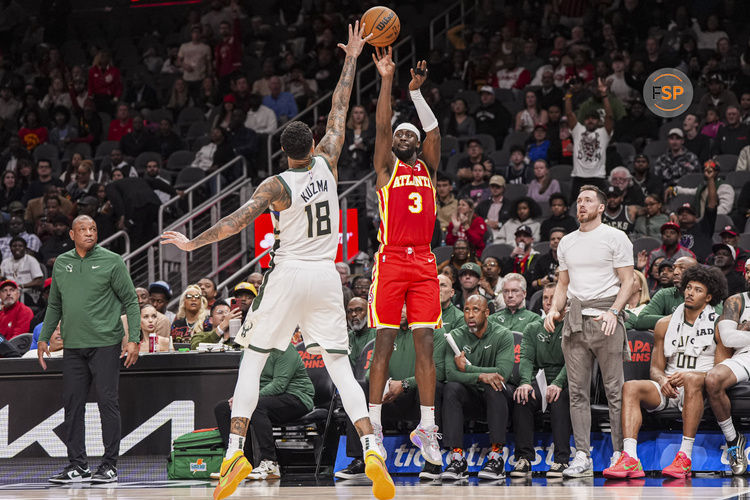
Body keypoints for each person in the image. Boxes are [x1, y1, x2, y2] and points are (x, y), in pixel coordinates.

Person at [162, 25, 395, 500]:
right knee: (340, 368)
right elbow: (339, 107)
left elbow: (233, 223)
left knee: (252, 362)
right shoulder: (330, 158)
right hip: (328, 276)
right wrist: (351, 57)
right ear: (312, 143)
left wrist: (190, 245)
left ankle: (233, 455)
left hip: (288, 275)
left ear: (283, 151)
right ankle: (371, 445)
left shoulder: (275, 186)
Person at [363, 46, 445, 476]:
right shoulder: (385, 169)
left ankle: (427, 428)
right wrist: (387, 79)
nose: (403, 137)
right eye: (399, 136)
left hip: (425, 263)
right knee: (384, 345)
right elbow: (380, 124)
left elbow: (434, 130)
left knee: (426, 346)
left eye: (409, 135)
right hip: (392, 260)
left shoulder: (429, 169)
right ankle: (373, 426)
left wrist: (416, 93)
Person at [39, 215, 140, 484]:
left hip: (106, 343)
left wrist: (134, 339)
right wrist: (44, 337)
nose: (89, 233)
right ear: (72, 235)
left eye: (93, 228)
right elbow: (54, 305)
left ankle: (109, 465)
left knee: (108, 403)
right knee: (72, 405)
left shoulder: (112, 260)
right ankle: (78, 466)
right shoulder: (62, 263)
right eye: (82, 229)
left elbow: (131, 300)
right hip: (73, 346)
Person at [544, 185, 635, 478]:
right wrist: (554, 310)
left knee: (614, 392)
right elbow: (563, 284)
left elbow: (629, 281)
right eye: (579, 200)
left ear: (600, 208)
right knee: (578, 394)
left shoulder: (615, 237)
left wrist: (614, 312)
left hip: (606, 317)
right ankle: (582, 455)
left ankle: (620, 454)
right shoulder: (567, 242)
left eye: (588, 201)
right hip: (574, 320)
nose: (581, 205)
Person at [604, 265, 727, 479]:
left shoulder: (719, 325)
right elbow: (656, 368)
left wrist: (694, 376)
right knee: (631, 386)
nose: (689, 292)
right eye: (688, 287)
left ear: (708, 297)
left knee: (690, 378)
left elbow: (721, 371)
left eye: (697, 290)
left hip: (701, 388)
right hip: (669, 386)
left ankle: (684, 457)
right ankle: (630, 458)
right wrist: (662, 380)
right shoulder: (664, 324)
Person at [338, 305, 447, 481]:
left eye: (406, 307)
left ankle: (432, 463)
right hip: (388, 398)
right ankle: (362, 458)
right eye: (399, 307)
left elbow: (440, 371)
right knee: (360, 390)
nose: (401, 311)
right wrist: (388, 385)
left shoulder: (434, 332)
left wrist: (405, 384)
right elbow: (369, 371)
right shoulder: (384, 333)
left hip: (417, 398)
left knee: (437, 388)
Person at [213, 344, 315, 481]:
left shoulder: (285, 348)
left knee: (255, 405)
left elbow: (279, 385)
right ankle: (240, 463)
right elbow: (244, 382)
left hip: (297, 397)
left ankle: (270, 463)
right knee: (223, 409)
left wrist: (250, 399)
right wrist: (239, 398)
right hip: (265, 398)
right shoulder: (249, 351)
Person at [441, 295, 514, 480]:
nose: (470, 315)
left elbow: (502, 372)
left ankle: (496, 457)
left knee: (494, 384)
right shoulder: (455, 336)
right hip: (472, 398)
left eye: (476, 310)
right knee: (451, 388)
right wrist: (481, 375)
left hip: (500, 399)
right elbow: (451, 374)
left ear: (487, 313)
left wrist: (469, 369)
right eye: (466, 310)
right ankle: (457, 458)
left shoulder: (503, 334)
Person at [511, 282, 571, 478]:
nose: (548, 302)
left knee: (558, 398)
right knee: (523, 396)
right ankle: (524, 458)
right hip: (541, 379)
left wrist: (558, 383)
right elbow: (526, 359)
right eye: (545, 298)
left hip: (568, 379)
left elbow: (573, 362)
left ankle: (562, 459)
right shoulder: (532, 328)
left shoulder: (572, 326)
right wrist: (525, 382)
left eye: (553, 298)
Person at [706, 261, 750, 476]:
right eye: (748, 271)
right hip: (746, 355)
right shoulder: (736, 301)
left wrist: (745, 330)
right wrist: (740, 333)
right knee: (713, 379)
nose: (749, 275)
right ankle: (733, 439)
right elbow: (728, 337)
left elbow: (737, 335)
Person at [566, 79, 613, 193]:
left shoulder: (604, 133)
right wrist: (568, 94)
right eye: (587, 119)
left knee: (599, 209)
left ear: (598, 121)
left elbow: (609, 116)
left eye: (593, 119)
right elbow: (569, 114)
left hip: (598, 177)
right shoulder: (578, 130)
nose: (590, 121)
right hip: (578, 177)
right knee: (575, 208)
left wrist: (604, 95)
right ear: (584, 121)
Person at [633, 256, 699, 330]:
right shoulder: (665, 294)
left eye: (682, 268)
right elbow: (641, 320)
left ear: (695, 273)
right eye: (674, 268)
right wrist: (679, 319)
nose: (675, 272)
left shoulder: (705, 295)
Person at [475, 175, 512, 241]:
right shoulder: (483, 204)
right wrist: (485, 221)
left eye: (497, 187)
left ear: (503, 188)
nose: (495, 189)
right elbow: (475, 217)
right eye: (492, 186)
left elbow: (512, 222)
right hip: (484, 234)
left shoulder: (509, 205)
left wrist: (499, 224)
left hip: (502, 235)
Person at [346, 297, 376, 368]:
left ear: (369, 312)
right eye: (349, 311)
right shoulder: (346, 338)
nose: (353, 314)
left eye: (359, 310)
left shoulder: (378, 335)